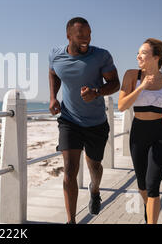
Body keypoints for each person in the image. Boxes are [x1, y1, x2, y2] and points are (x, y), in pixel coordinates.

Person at [49, 17, 120, 224]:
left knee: (95, 166)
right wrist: (53, 97)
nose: (86, 39)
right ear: (68, 36)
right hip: (69, 120)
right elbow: (53, 73)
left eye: (89, 34)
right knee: (70, 170)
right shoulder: (55, 54)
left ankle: (95, 190)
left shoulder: (101, 56)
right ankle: (71, 221)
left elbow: (115, 83)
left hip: (96, 122)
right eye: (81, 36)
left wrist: (97, 92)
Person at [118, 38, 162, 224]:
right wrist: (141, 87)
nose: (138, 56)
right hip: (139, 133)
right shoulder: (132, 75)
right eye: (138, 52)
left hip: (160, 133)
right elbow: (122, 105)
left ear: (156, 57)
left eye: (143, 53)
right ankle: (150, 212)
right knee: (142, 184)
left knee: (153, 185)